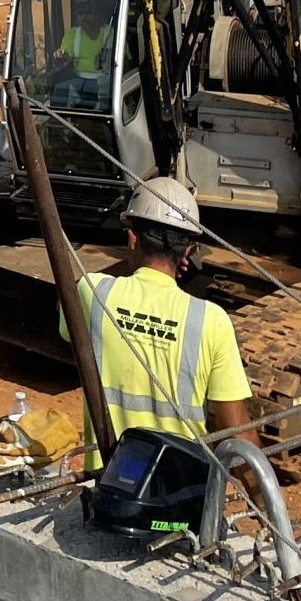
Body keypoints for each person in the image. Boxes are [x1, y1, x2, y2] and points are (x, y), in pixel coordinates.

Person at [70, 177, 252, 467]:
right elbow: (236, 430)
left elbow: (69, 316)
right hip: (180, 494)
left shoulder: (91, 292)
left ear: (132, 238)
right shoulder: (211, 320)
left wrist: (136, 262)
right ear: (189, 251)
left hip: (109, 491)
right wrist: (265, 500)